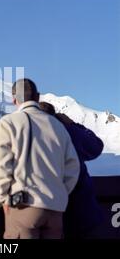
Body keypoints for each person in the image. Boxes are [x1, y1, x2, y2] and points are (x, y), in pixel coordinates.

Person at [0, 78, 80, 239]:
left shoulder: (7, 124)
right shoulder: (57, 126)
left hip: (23, 205)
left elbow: (1, 166)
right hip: (55, 209)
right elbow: (73, 166)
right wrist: (59, 192)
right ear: (37, 97)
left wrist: (4, 198)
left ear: (14, 99)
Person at [39, 101, 104, 238]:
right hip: (80, 210)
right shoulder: (70, 131)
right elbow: (96, 146)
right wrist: (73, 124)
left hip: (43, 212)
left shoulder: (29, 135)